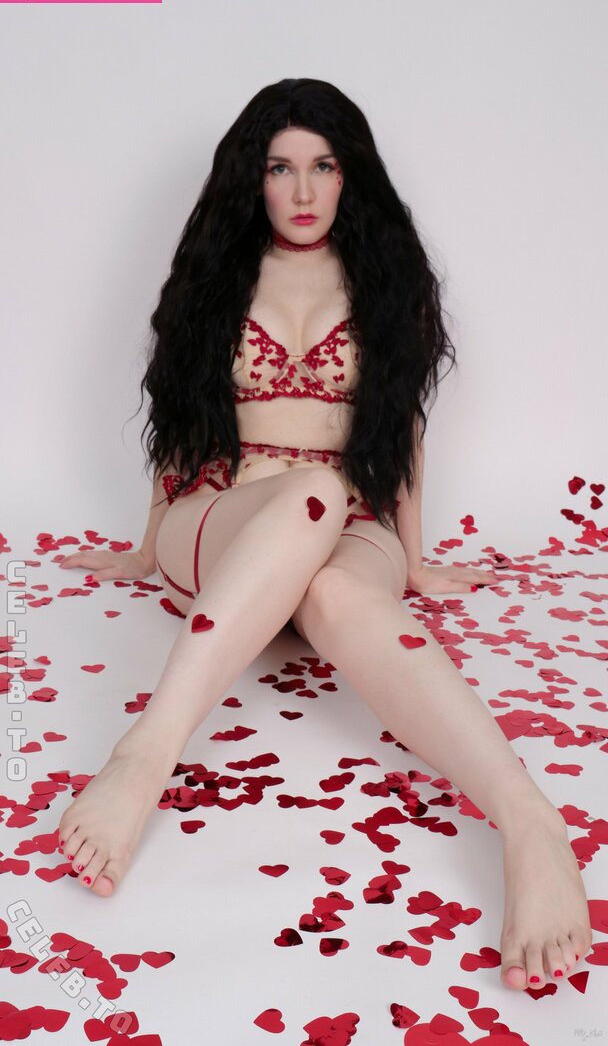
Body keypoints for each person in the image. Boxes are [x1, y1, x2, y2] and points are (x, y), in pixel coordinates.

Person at [56, 78, 591, 991]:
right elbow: (182, 421)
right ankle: (144, 755)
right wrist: (147, 546)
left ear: (350, 176)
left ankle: (530, 822)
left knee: (340, 578)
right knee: (309, 494)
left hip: (347, 521)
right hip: (223, 516)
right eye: (280, 168)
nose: (302, 191)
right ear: (252, 177)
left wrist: (413, 561)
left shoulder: (386, 282)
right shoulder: (217, 276)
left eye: (324, 166)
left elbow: (401, 429)